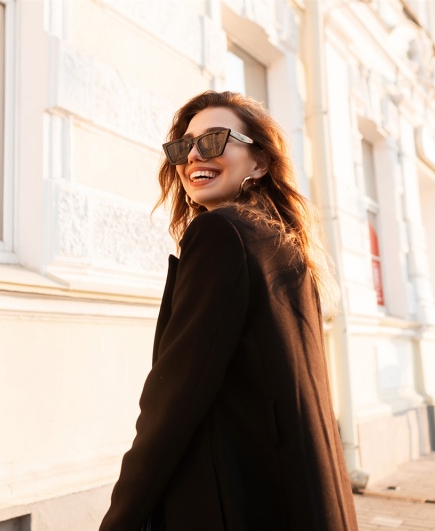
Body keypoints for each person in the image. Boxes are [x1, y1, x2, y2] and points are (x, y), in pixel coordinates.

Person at [100, 91, 358, 531]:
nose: (193, 155)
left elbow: (174, 399)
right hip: (301, 492)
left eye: (215, 139)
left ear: (260, 163)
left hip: (235, 499)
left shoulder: (220, 233)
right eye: (184, 145)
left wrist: (120, 517)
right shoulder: (285, 242)